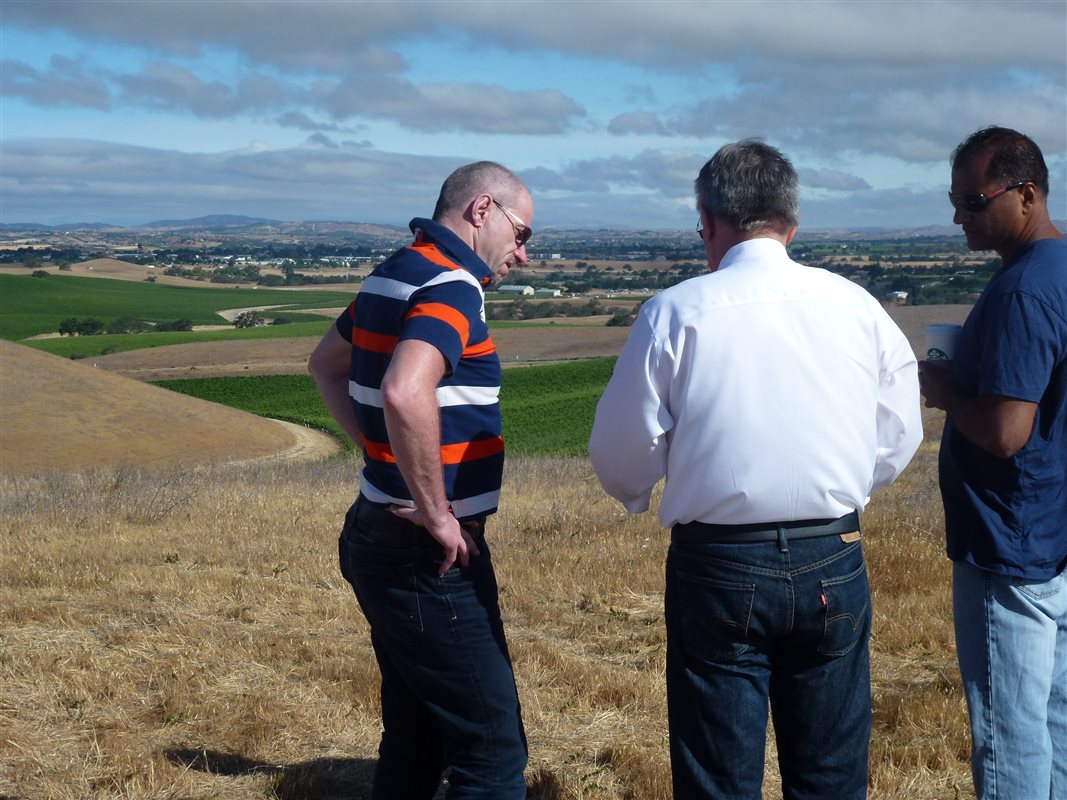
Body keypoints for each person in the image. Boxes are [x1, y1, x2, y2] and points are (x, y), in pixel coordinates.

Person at [589, 139, 922, 799]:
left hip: (718, 563)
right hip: (832, 550)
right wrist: (847, 488)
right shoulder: (857, 306)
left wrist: (637, 492)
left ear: (707, 223)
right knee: (830, 776)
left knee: (718, 779)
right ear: (791, 226)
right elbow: (899, 432)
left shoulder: (674, 312)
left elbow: (622, 452)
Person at [308, 161, 534, 799]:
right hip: (426, 553)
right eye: (522, 234)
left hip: (377, 531)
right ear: (482, 210)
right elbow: (405, 392)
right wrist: (435, 510)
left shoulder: (395, 271)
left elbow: (325, 364)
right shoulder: (453, 284)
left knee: (417, 732)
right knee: (492, 754)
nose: (523, 254)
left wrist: (385, 455)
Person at [919, 127, 1066, 800]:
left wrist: (949, 393)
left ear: (1026, 194)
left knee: (1008, 735)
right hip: (1050, 534)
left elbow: (1007, 433)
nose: (959, 217)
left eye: (973, 201)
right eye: (954, 201)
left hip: (1007, 541)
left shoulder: (1021, 292)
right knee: (1053, 721)